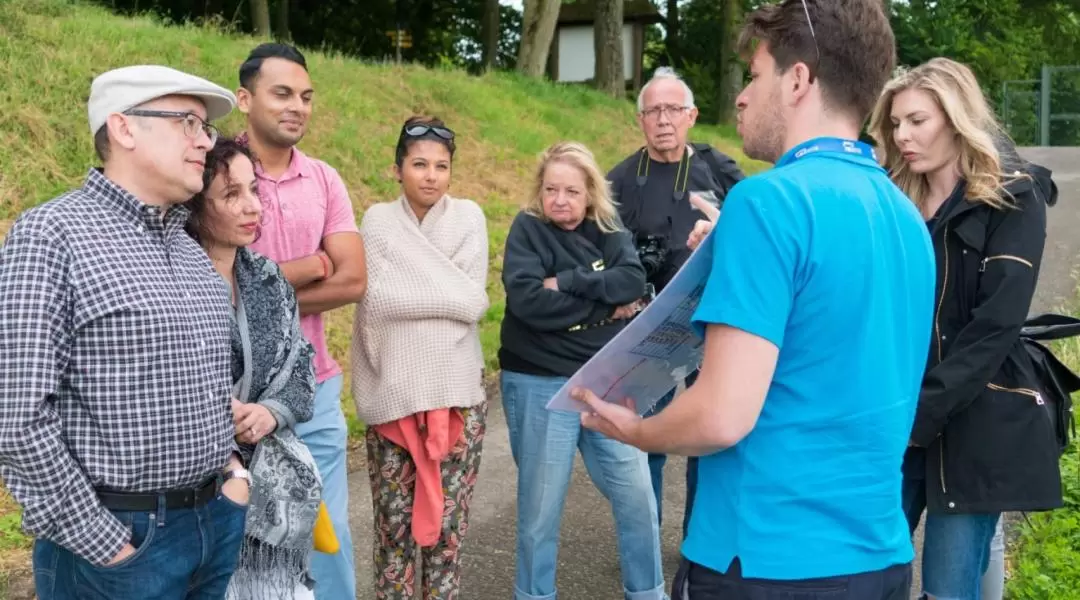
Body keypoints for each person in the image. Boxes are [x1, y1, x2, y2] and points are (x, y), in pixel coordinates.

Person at [574, 1, 936, 599]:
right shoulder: (908, 217)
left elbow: (721, 414)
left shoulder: (766, 204)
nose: (742, 96)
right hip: (881, 557)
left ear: (798, 81)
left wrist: (637, 431)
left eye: (756, 75)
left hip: (764, 557)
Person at [0, 65, 251, 599]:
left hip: (214, 523)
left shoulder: (188, 248)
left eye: (205, 128)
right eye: (188, 122)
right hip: (119, 548)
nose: (205, 141)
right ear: (123, 128)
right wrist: (104, 541)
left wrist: (233, 481)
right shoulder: (51, 235)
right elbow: (17, 415)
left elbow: (210, 382)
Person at [869, 57, 1059, 600]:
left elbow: (995, 326)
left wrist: (919, 415)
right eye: (895, 125)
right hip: (895, 413)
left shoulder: (1015, 197)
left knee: (949, 586)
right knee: (867, 571)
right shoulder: (889, 199)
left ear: (956, 120)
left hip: (977, 416)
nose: (902, 136)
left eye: (916, 121)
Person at [498, 141, 667, 600]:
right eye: (550, 189)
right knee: (540, 511)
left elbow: (632, 282)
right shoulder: (528, 229)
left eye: (571, 191)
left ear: (590, 193)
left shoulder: (607, 229)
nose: (559, 200)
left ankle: (649, 593)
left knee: (637, 498)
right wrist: (603, 307)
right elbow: (529, 304)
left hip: (603, 378)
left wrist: (569, 283)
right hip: (538, 380)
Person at [235, 42, 365, 599]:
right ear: (245, 99)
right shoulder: (219, 175)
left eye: (307, 96)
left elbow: (353, 280)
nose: (298, 106)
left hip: (316, 390)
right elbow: (214, 292)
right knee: (248, 551)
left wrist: (261, 294)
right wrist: (309, 267)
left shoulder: (325, 179)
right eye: (282, 93)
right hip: (235, 400)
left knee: (328, 542)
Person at [350, 116, 490, 600]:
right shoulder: (379, 222)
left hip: (456, 397)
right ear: (397, 170)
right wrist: (443, 296)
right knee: (393, 532)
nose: (430, 175)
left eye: (441, 166)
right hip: (395, 396)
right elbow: (377, 303)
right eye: (419, 164)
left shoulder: (469, 216)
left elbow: (473, 302)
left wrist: (415, 296)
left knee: (449, 534)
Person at [606, 66, 745, 536]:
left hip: (712, 322)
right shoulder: (619, 181)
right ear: (640, 119)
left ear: (692, 116)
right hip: (649, 325)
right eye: (653, 111)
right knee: (647, 436)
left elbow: (754, 240)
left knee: (710, 434)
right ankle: (644, 537)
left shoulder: (722, 171)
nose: (663, 120)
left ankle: (700, 536)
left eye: (672, 109)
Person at [183, 138, 322, 600]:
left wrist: (271, 412)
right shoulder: (173, 278)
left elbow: (300, 363)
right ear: (195, 205)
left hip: (269, 468)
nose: (251, 207)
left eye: (253, 190)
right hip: (197, 480)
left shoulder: (266, 276)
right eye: (230, 194)